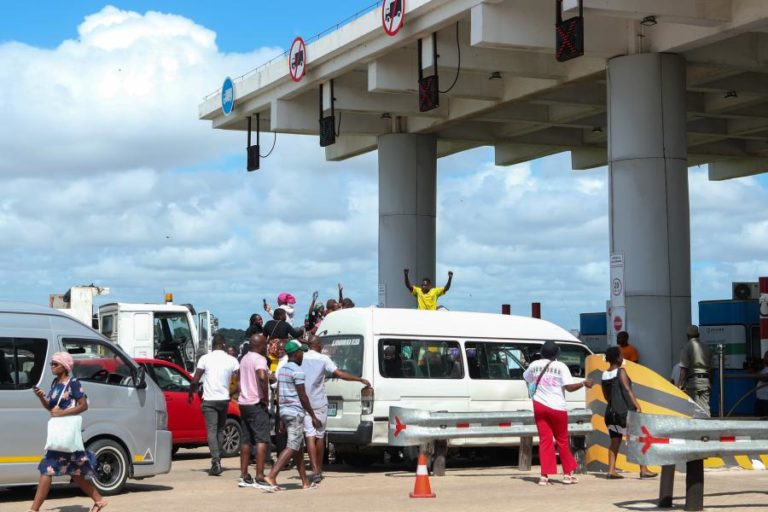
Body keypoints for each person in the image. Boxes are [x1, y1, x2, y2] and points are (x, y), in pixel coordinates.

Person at [30, 352, 108, 512]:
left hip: (67, 433)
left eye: (55, 363)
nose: (51, 366)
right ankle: (99, 500)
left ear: (64, 366)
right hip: (60, 434)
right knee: (76, 472)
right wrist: (41, 398)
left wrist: (62, 413)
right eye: (52, 363)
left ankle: (33, 509)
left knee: (47, 468)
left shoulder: (73, 382)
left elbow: (83, 405)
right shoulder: (55, 383)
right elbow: (52, 408)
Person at [301, 335, 371, 483]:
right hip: (319, 402)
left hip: (304, 402)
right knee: (319, 436)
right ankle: (318, 470)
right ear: (318, 345)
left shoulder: (301, 358)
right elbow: (339, 374)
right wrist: (358, 379)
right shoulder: (323, 359)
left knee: (309, 436)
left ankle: (313, 470)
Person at [522, 340, 593, 486]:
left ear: (541, 353)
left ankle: (544, 476)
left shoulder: (534, 365)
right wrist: (583, 383)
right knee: (562, 441)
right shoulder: (560, 366)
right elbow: (569, 388)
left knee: (545, 440)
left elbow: (527, 378)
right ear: (556, 354)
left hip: (539, 406)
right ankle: (567, 475)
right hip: (557, 408)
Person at [265, 340, 321, 491]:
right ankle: (271, 476)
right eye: (301, 352)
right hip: (295, 412)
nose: (303, 354)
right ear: (296, 353)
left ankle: (305, 482)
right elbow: (302, 396)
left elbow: (280, 393)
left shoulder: (282, 370)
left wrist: (282, 418)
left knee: (298, 448)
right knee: (293, 446)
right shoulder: (297, 371)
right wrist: (313, 416)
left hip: (284, 411)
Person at [601, 346, 657, 479]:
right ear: (618, 358)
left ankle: (611, 470)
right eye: (621, 355)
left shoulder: (604, 374)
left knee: (615, 441)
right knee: (638, 439)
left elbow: (606, 396)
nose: (623, 358)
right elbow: (627, 390)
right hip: (623, 414)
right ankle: (643, 470)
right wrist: (637, 406)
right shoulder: (621, 371)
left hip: (610, 414)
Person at [189, 334, 240, 476]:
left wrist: (190, 393)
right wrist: (231, 392)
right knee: (220, 430)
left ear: (213, 344)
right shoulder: (232, 360)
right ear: (223, 344)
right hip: (224, 400)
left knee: (211, 430)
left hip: (209, 400)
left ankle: (215, 460)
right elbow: (241, 379)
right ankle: (218, 460)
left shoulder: (205, 358)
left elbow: (195, 380)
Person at [237, 334, 272, 489]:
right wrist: (265, 397)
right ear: (260, 345)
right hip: (256, 402)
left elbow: (239, 379)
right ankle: (259, 475)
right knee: (261, 439)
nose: (267, 347)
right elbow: (262, 377)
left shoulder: (244, 359)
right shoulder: (260, 359)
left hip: (243, 402)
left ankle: (244, 475)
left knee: (246, 440)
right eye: (265, 344)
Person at [677, 325, 712, 415]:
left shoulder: (687, 347)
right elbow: (712, 368)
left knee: (693, 409)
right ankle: (708, 427)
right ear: (698, 335)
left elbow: (683, 369)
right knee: (705, 408)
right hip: (705, 381)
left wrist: (679, 385)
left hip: (693, 382)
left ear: (687, 336)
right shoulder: (706, 348)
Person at [754, 351, 768, 417]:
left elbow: (765, 379)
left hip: (766, 400)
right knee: (758, 421)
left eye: (766, 357)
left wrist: (755, 374)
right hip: (760, 399)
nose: (764, 359)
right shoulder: (763, 369)